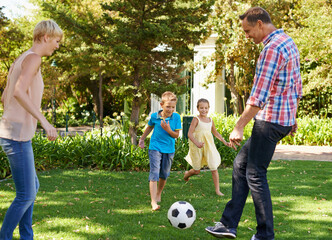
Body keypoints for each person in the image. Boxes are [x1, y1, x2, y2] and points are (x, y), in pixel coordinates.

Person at [205, 7, 302, 240]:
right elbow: (295, 87)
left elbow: (258, 96)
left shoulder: (271, 49)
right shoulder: (287, 40)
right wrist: (292, 117)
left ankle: (265, 235)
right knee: (241, 165)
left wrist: (238, 125)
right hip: (281, 120)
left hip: (269, 121)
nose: (247, 36)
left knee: (256, 174)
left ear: (260, 23)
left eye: (248, 31)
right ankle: (228, 224)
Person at [0, 20, 63, 239]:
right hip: (15, 136)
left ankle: (27, 235)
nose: (57, 46)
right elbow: (18, 91)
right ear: (46, 37)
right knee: (26, 194)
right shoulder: (33, 58)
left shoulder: (22, 58)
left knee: (31, 187)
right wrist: (44, 122)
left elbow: (5, 95)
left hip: (14, 133)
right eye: (56, 41)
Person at [139, 91, 182, 211]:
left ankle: (158, 193)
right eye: (168, 106)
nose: (170, 109)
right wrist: (142, 139)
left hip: (169, 149)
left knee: (164, 174)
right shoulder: (154, 116)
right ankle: (153, 201)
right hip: (155, 147)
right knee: (154, 172)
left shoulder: (176, 117)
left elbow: (176, 135)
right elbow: (149, 127)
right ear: (161, 104)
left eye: (173, 107)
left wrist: (168, 129)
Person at [183, 98, 231, 196]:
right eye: (201, 108)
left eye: (206, 108)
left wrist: (224, 141)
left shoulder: (210, 120)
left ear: (208, 108)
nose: (204, 110)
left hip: (209, 146)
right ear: (198, 108)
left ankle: (217, 190)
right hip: (197, 146)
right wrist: (197, 143)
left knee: (213, 167)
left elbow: (215, 132)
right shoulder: (196, 119)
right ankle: (187, 174)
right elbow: (189, 133)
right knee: (197, 170)